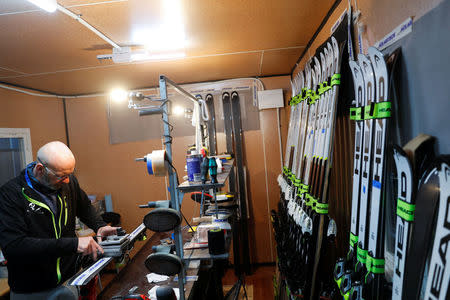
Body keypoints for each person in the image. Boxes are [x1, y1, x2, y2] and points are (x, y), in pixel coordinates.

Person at [0, 141, 118, 299]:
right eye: (61, 176)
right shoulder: (10, 194)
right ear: (40, 169)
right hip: (32, 290)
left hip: (70, 279)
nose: (68, 181)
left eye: (70, 174)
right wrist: (73, 244)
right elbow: (14, 246)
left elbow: (84, 207)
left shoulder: (68, 182)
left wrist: (99, 225)